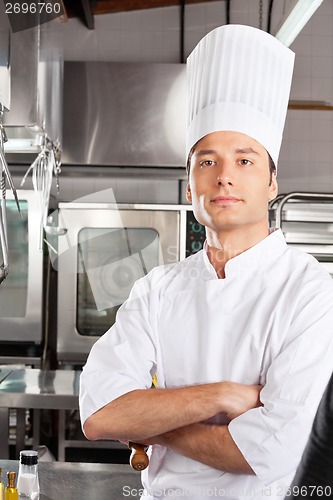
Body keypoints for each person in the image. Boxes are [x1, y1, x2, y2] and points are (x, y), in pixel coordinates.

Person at [79, 25, 333, 499]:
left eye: (246, 160)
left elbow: (273, 450)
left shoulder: (311, 290)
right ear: (189, 183)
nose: (224, 178)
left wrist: (156, 425)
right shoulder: (157, 289)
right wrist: (223, 396)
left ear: (273, 182)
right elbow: (100, 414)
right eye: (207, 161)